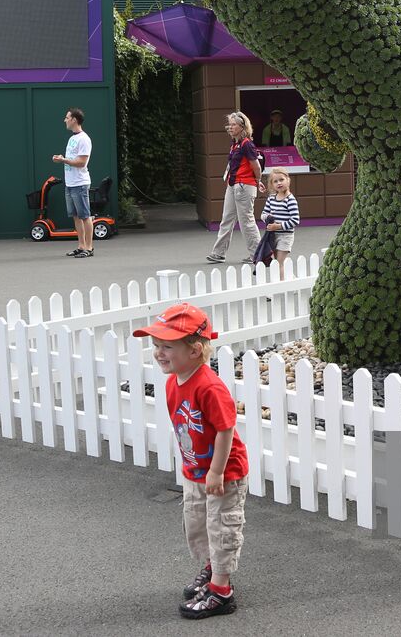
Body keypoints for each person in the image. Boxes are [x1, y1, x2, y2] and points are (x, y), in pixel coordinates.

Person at [132, 303, 248, 619]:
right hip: (196, 470)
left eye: (167, 346)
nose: (158, 352)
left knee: (222, 525)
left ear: (195, 350)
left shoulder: (209, 387)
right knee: (198, 523)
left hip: (223, 473)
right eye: (156, 345)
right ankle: (213, 569)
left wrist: (216, 471)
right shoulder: (174, 382)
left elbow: (225, 430)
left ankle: (222, 592)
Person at [206, 112, 262, 264]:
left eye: (233, 125)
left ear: (242, 126)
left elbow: (256, 166)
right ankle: (218, 253)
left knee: (247, 222)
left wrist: (258, 180)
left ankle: (258, 254)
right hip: (234, 185)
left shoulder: (246, 144)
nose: (229, 128)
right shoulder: (235, 144)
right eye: (229, 125)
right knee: (227, 220)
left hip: (243, 186)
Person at [52, 107, 94, 258]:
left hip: (80, 184)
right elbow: (73, 159)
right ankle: (81, 246)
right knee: (76, 216)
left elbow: (81, 162)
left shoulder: (84, 139)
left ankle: (89, 248)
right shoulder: (72, 139)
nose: (65, 120)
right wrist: (62, 158)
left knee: (85, 216)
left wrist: (63, 160)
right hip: (70, 184)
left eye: (67, 117)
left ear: (74, 120)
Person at [260, 169, 301, 275]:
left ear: (288, 180)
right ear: (272, 185)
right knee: (276, 262)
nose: (279, 183)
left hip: (285, 237)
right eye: (275, 181)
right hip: (272, 236)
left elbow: (295, 220)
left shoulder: (290, 200)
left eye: (281, 180)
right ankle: (292, 281)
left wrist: (278, 226)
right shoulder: (271, 199)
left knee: (279, 262)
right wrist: (268, 217)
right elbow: (263, 214)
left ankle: (283, 287)